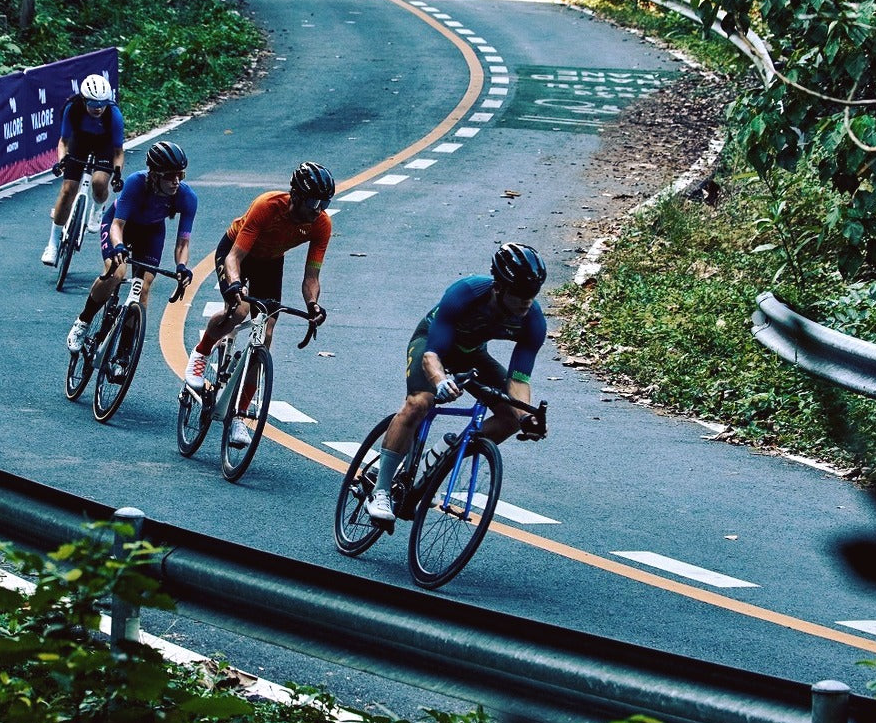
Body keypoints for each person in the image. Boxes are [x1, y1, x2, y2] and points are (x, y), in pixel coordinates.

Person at [366, 242, 548, 524]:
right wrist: (440, 381)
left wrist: (526, 415)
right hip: (431, 344)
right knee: (420, 402)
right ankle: (380, 491)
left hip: (472, 355)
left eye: (533, 294)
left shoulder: (533, 321)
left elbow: (518, 379)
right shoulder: (466, 293)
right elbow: (431, 355)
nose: (527, 301)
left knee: (510, 418)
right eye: (520, 294)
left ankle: (442, 459)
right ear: (498, 287)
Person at [184, 161, 335, 447]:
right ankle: (201, 353)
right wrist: (234, 286)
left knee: (264, 334)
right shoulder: (267, 205)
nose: (319, 210)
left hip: (270, 262)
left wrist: (313, 305)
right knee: (238, 311)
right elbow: (234, 259)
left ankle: (240, 416)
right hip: (236, 251)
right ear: (298, 196)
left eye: (324, 202)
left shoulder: (322, 224)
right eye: (314, 202)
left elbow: (311, 276)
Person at [65, 140, 197, 352]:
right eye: (170, 176)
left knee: (142, 287)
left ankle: (124, 352)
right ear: (154, 175)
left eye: (180, 175)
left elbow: (183, 243)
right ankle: (84, 320)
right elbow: (117, 225)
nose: (176, 181)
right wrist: (118, 247)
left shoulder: (187, 197)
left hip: (151, 231)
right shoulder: (136, 183)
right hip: (121, 226)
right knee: (116, 273)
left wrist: (182, 267)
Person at [41, 73, 125, 266]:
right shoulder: (73, 108)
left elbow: (118, 151)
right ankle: (52, 244)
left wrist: (117, 173)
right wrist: (62, 161)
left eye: (103, 104)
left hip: (104, 145)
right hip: (80, 142)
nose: (99, 109)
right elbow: (63, 142)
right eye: (94, 105)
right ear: (84, 100)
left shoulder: (114, 115)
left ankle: (97, 208)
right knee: (68, 190)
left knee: (99, 182)